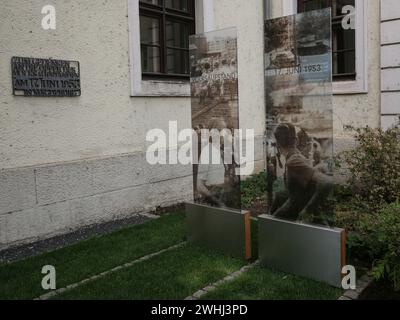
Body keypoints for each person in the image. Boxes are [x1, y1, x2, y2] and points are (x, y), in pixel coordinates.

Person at [270, 123, 333, 226]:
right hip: (297, 216)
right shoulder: (295, 158)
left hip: (298, 215)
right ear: (296, 140)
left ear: (277, 144)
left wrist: (308, 210)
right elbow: (298, 189)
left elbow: (327, 183)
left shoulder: (294, 161)